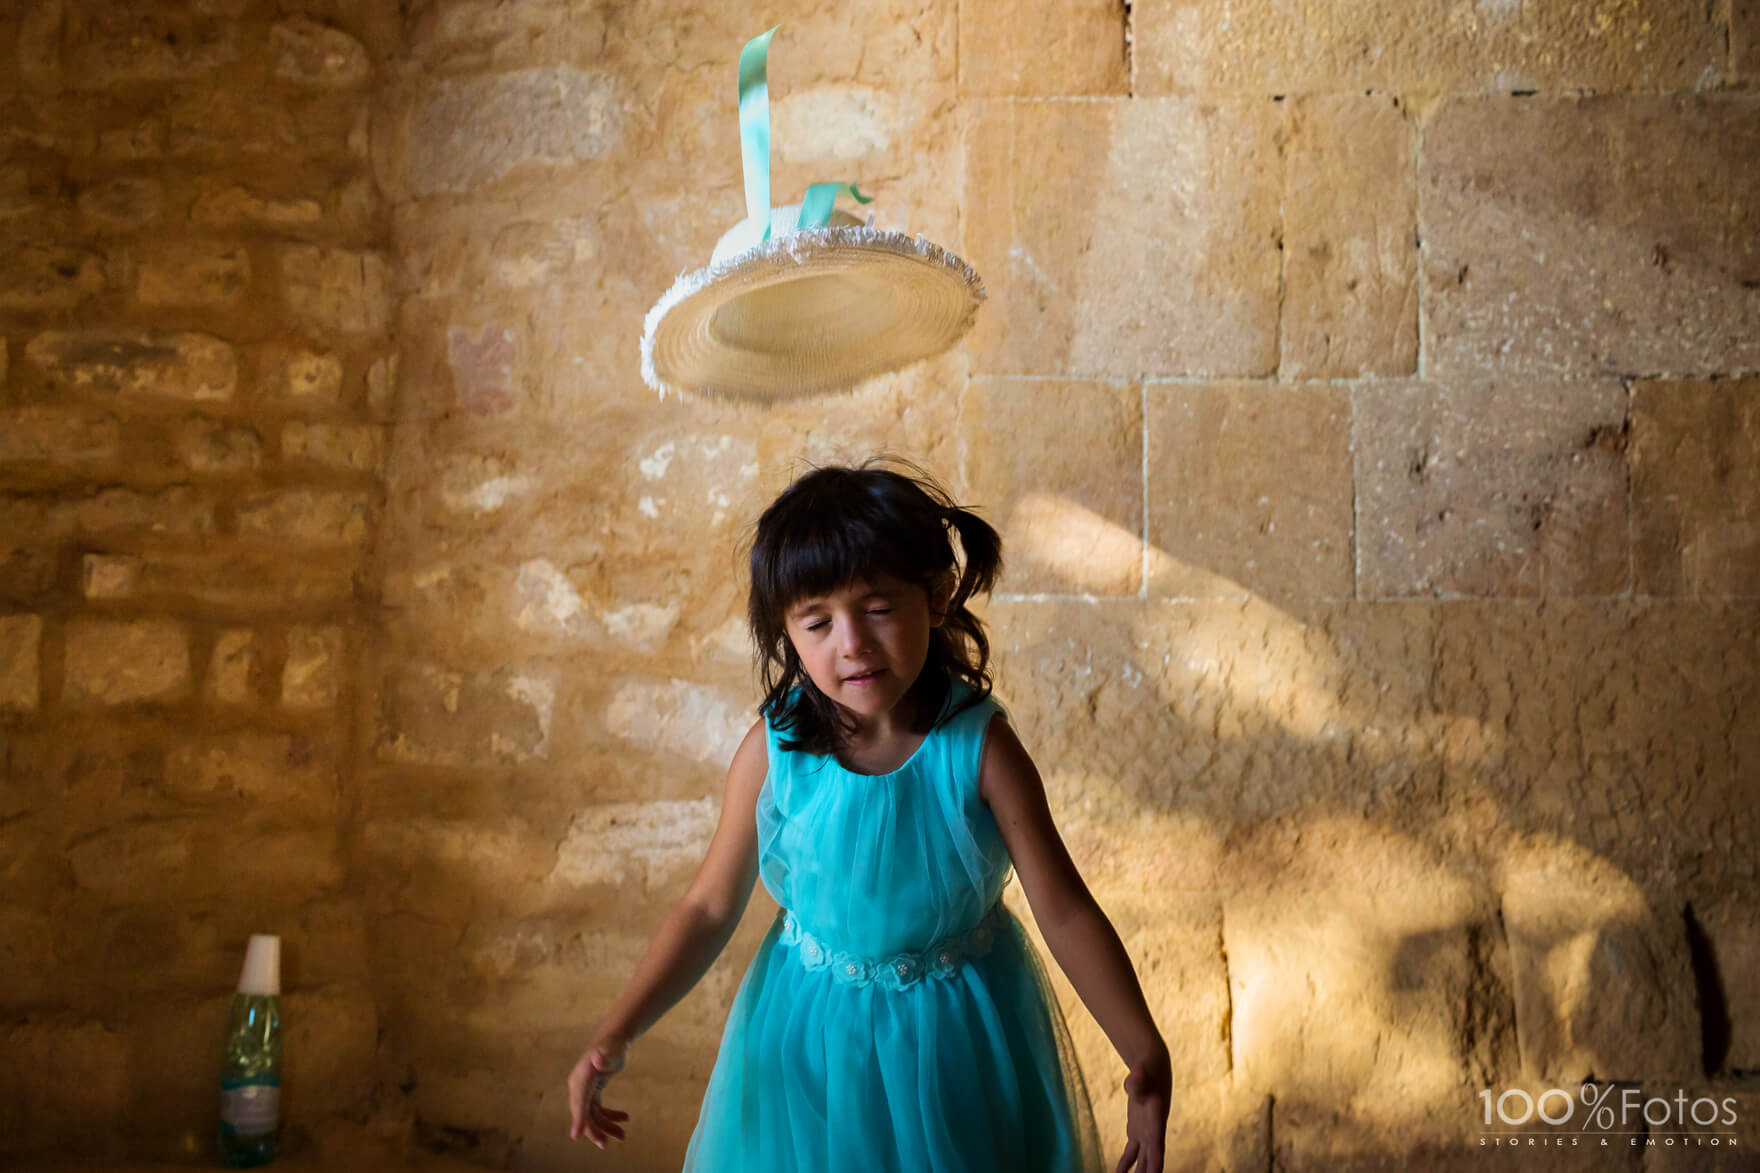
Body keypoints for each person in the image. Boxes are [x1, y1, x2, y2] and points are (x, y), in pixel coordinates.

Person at [567, 458, 1171, 1172]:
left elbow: (1063, 910)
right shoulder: (775, 750)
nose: (850, 642)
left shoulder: (981, 751)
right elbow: (707, 905)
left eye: (877, 607)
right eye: (817, 621)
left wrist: (1143, 1047)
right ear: (786, 633)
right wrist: (618, 1029)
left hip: (960, 1044)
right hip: (809, 1046)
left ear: (937, 595)